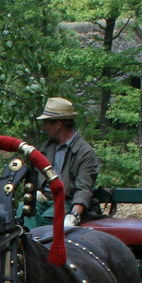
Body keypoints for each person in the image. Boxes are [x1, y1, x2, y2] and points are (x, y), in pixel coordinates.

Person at [35, 96, 100, 227]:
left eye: (46, 123)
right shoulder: (46, 148)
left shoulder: (85, 152)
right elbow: (35, 177)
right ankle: (27, 245)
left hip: (67, 202)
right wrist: (35, 192)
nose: (43, 127)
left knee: (48, 219)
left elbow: (84, 189)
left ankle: (38, 245)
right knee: (24, 212)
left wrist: (74, 215)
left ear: (58, 124)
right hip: (44, 200)